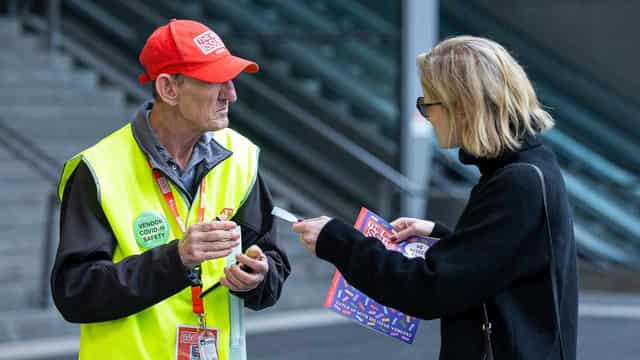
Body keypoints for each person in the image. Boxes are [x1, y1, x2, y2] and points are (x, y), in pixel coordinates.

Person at [293, 36, 577, 360]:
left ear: (463, 106)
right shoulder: (531, 165)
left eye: (428, 103)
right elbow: (503, 261)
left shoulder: (516, 181)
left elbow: (430, 290)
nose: (426, 115)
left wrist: (337, 241)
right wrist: (444, 237)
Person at [52, 19, 290, 360]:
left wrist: (259, 277)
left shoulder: (242, 158)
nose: (232, 94)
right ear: (168, 89)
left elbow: (272, 263)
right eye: (214, 81)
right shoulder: (98, 169)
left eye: (231, 80)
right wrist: (176, 259)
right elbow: (74, 293)